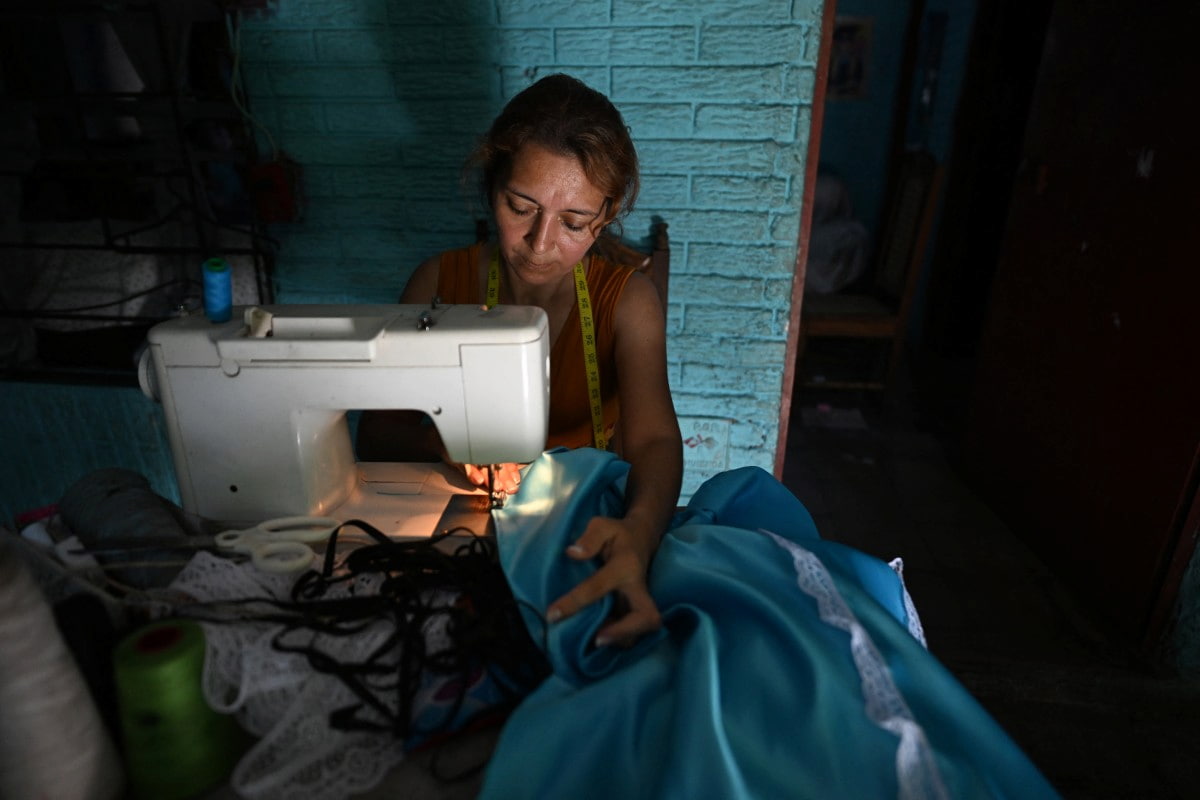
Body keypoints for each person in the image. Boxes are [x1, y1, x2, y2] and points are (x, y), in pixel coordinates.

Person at [364, 74, 682, 648]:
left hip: (584, 525)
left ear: (606, 216)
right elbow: (379, 431)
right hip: (463, 519)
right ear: (493, 187)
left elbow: (655, 441)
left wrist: (638, 532)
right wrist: (444, 448)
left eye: (574, 222)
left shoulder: (629, 302)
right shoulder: (437, 284)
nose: (540, 243)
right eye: (521, 207)